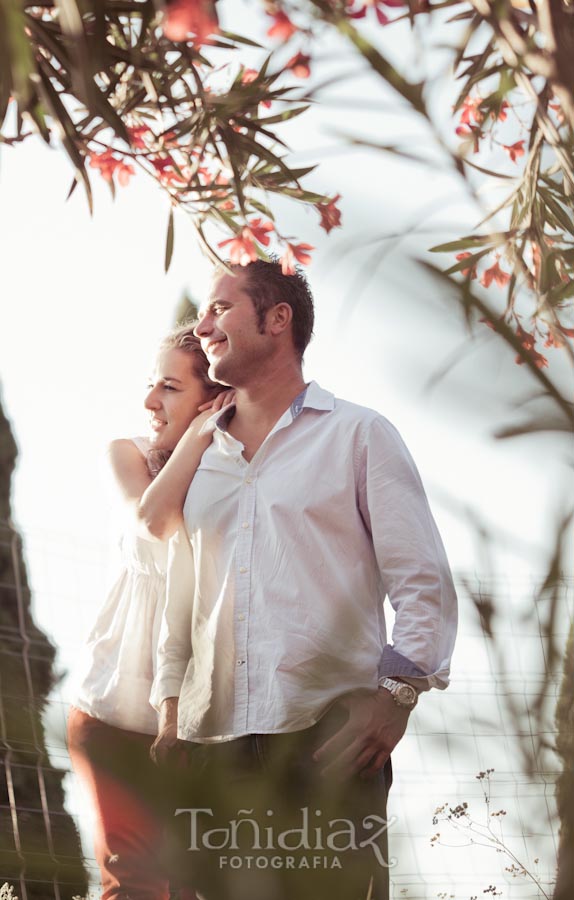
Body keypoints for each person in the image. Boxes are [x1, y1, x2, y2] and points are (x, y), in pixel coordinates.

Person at [151, 260, 458, 900]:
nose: (202, 326)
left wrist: (397, 697)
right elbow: (183, 592)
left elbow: (421, 578)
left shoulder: (359, 434)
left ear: (278, 318)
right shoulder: (201, 459)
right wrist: (170, 708)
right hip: (214, 747)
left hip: (330, 746)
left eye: (219, 308)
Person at [67, 324, 232, 900]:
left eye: (168, 387)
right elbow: (155, 521)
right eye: (150, 385)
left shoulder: (232, 474)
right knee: (132, 885)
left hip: (198, 723)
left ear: (212, 397)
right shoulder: (127, 453)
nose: (149, 402)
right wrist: (200, 432)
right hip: (112, 707)